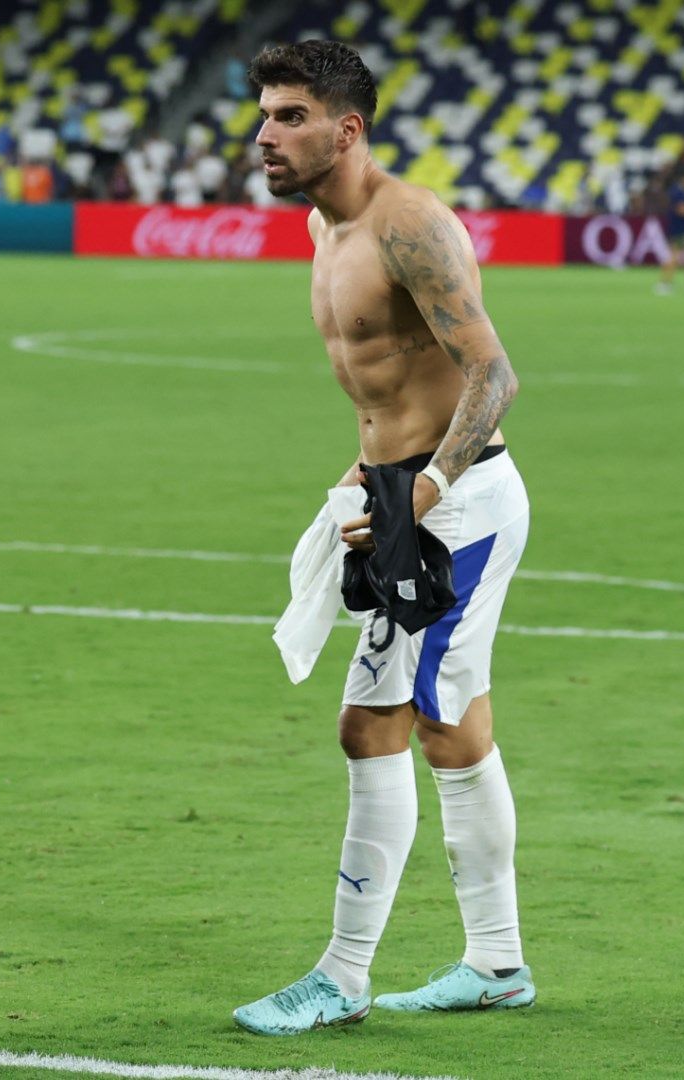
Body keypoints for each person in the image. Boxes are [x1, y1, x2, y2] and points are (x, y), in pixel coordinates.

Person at [232, 40, 529, 1036]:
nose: (264, 135)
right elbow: (391, 388)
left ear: (347, 129)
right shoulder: (324, 226)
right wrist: (371, 478)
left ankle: (344, 977)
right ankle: (496, 963)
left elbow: (493, 376)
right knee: (455, 729)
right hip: (407, 496)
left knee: (376, 725)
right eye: (264, 115)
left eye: (289, 116)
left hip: (459, 506)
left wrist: (424, 493)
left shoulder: (410, 224)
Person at [655, 157, 684, 295]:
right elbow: (680, 209)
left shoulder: (682, 191)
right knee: (681, 256)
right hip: (680, 228)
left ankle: (666, 283)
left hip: (681, 228)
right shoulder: (678, 192)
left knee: (681, 256)